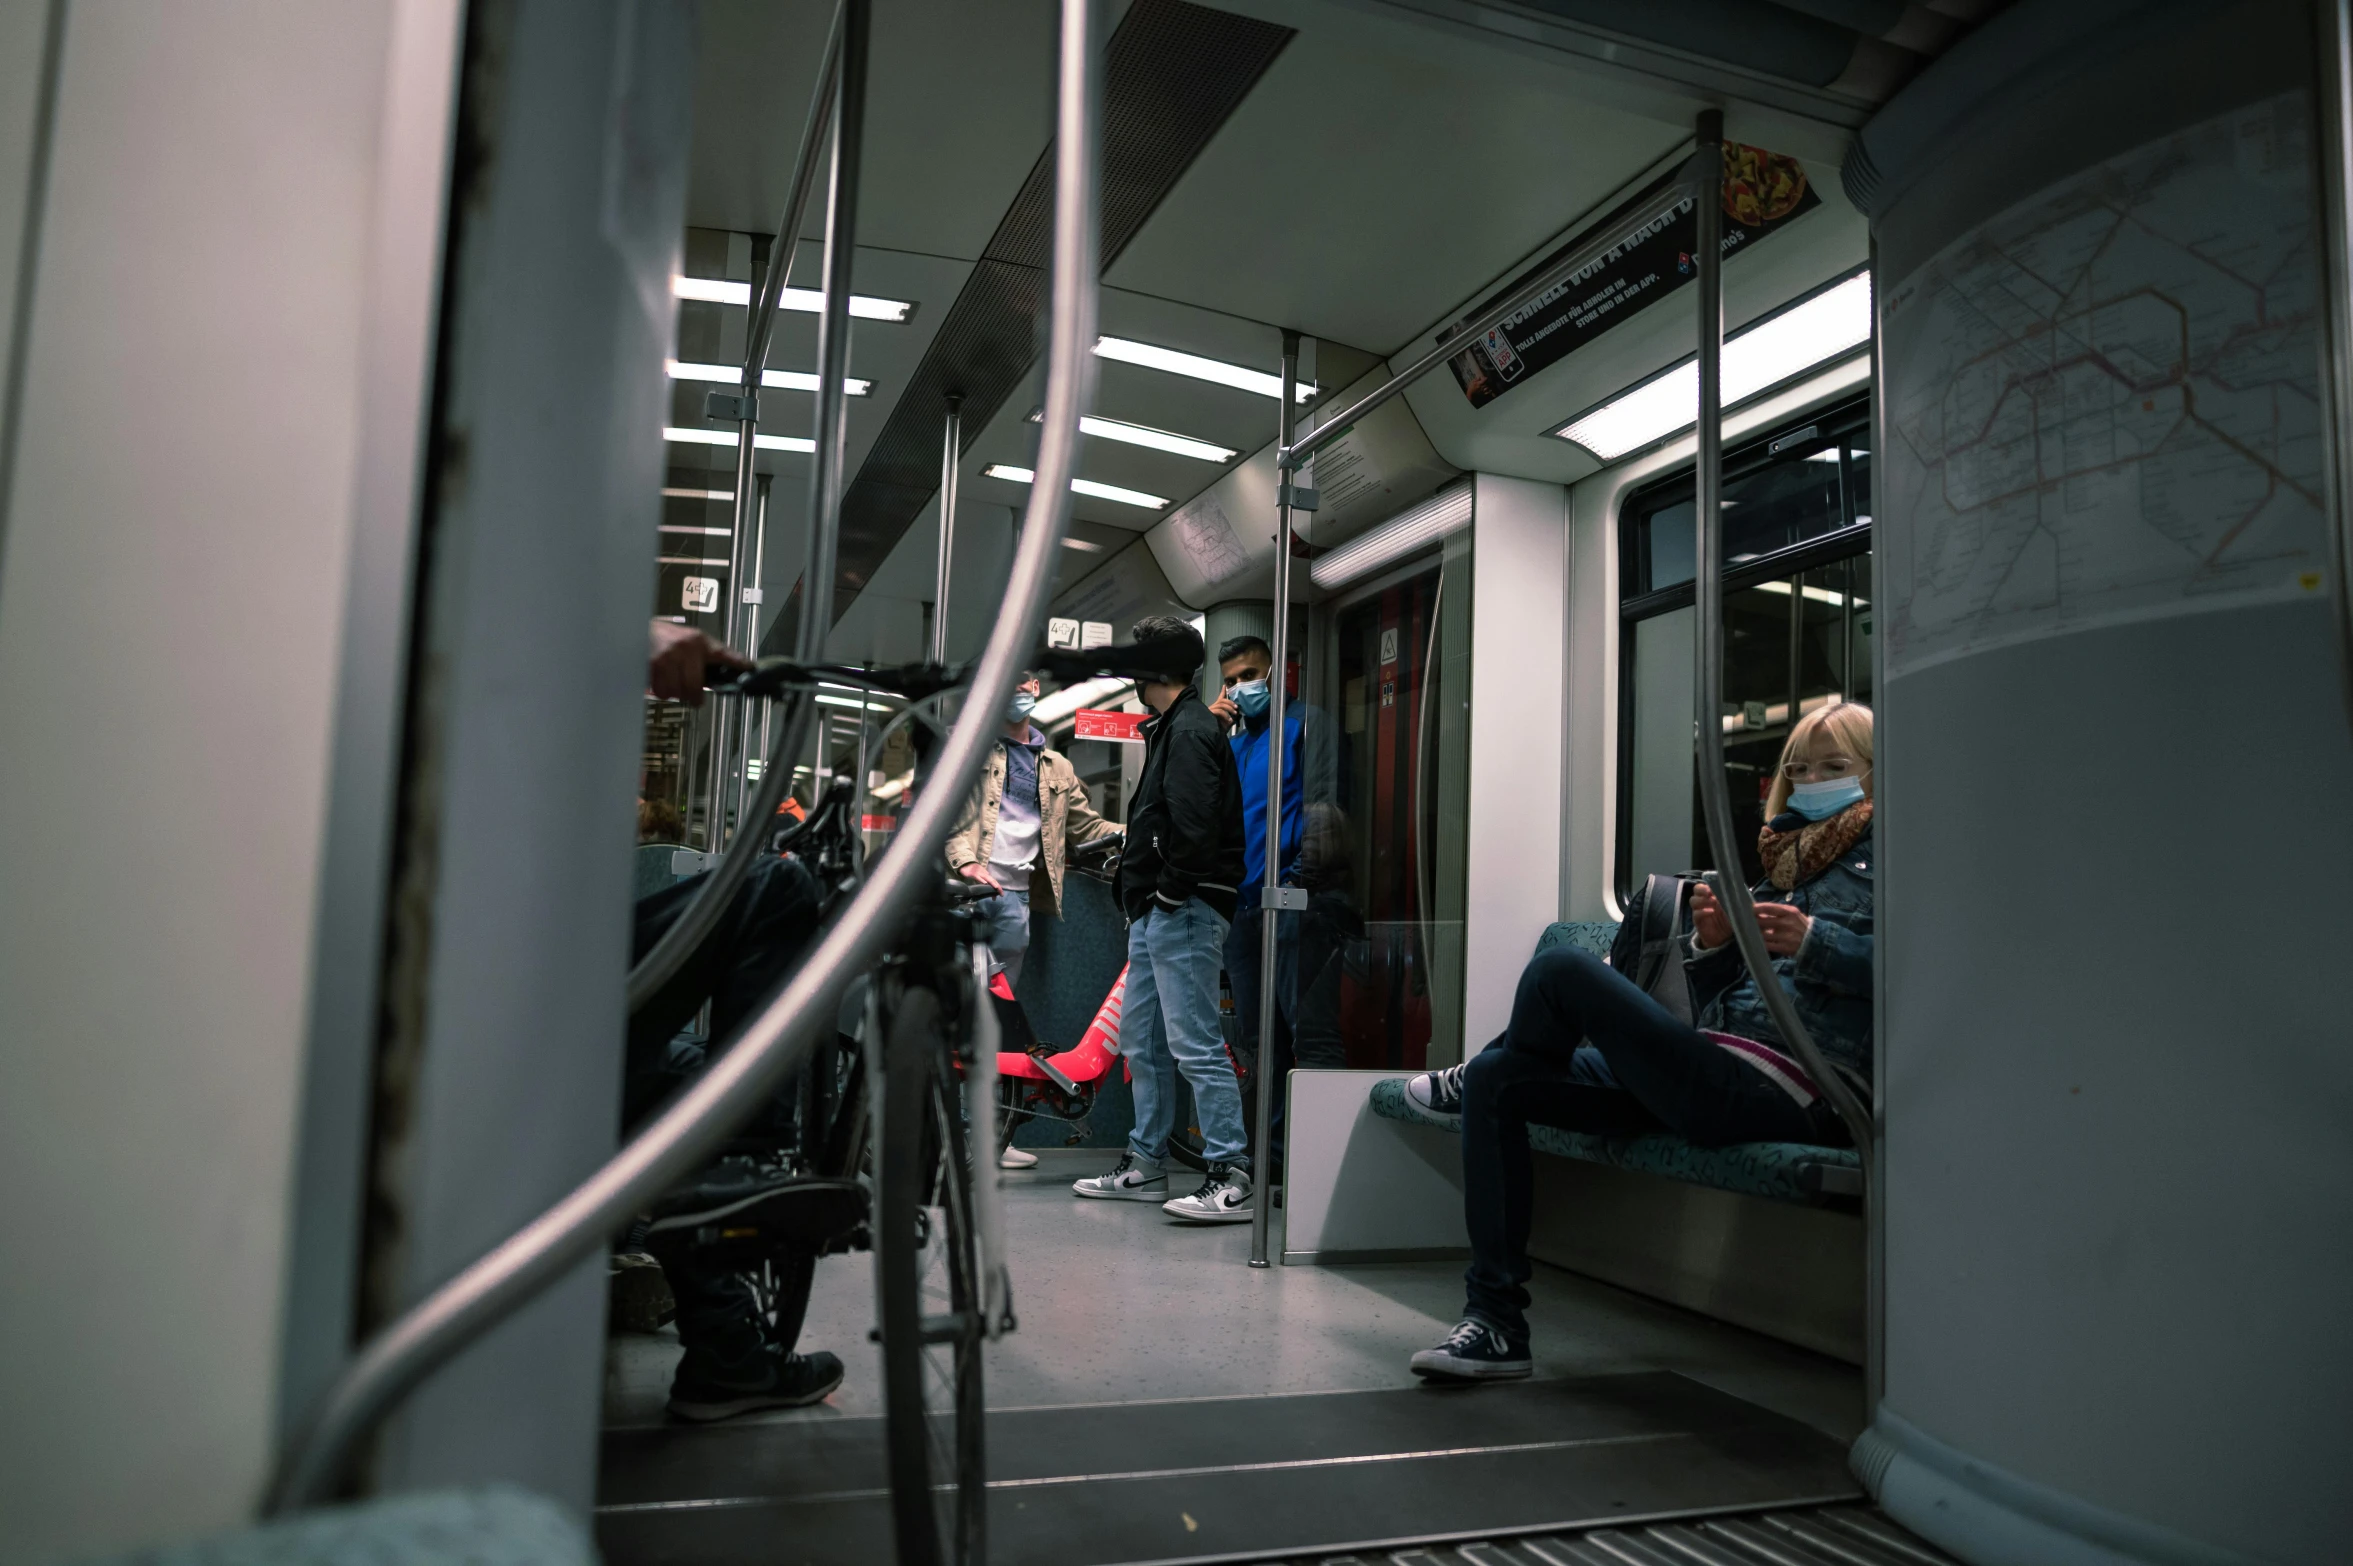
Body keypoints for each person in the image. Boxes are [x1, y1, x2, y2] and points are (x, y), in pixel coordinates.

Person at [1402, 702, 1875, 1381]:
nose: (1811, 782)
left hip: (1795, 1087)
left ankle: (1477, 1062)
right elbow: (1721, 1004)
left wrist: (1814, 942)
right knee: (1497, 1083)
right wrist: (1713, 951)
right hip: (1716, 1064)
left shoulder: (1896, 854)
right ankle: (1497, 1323)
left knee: (1561, 971)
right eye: (1798, 770)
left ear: (1872, 774)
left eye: (1834, 768)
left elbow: (1925, 973)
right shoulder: (1782, 866)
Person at [629, 619, 843, 1420]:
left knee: (681, 1081)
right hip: (525, 974)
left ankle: (727, 1355)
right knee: (776, 885)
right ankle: (745, 1173)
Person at [1071, 615, 1254, 1222]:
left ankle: (1232, 1174)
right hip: (1157, 912)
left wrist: (1170, 895)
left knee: (1195, 1043)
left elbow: (1195, 832)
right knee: (1139, 1042)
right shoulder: (1171, 728)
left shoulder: (1192, 731)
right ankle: (1146, 1162)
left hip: (1185, 909)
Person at [947, 669, 1122, 1169]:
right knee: (972, 1021)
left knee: (997, 1028)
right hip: (975, 897)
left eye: (1022, 680)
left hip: (1018, 901)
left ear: (1036, 687)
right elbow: (950, 819)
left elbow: (1084, 826)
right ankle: (973, 1131)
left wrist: (1138, 829)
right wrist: (968, 865)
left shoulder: (1058, 768)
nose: (1016, 690)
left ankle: (989, 1130)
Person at [1207, 634, 1342, 1179]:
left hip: (1292, 902)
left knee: (1307, 1033)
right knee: (1261, 1043)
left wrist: (1296, 885)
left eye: (1252, 674)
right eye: (1232, 679)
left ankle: (1317, 1168)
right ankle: (1273, 1166)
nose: (1243, 687)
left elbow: (1324, 805)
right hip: (1242, 909)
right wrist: (1214, 732)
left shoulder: (1308, 725)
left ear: (1280, 671)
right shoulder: (1235, 745)